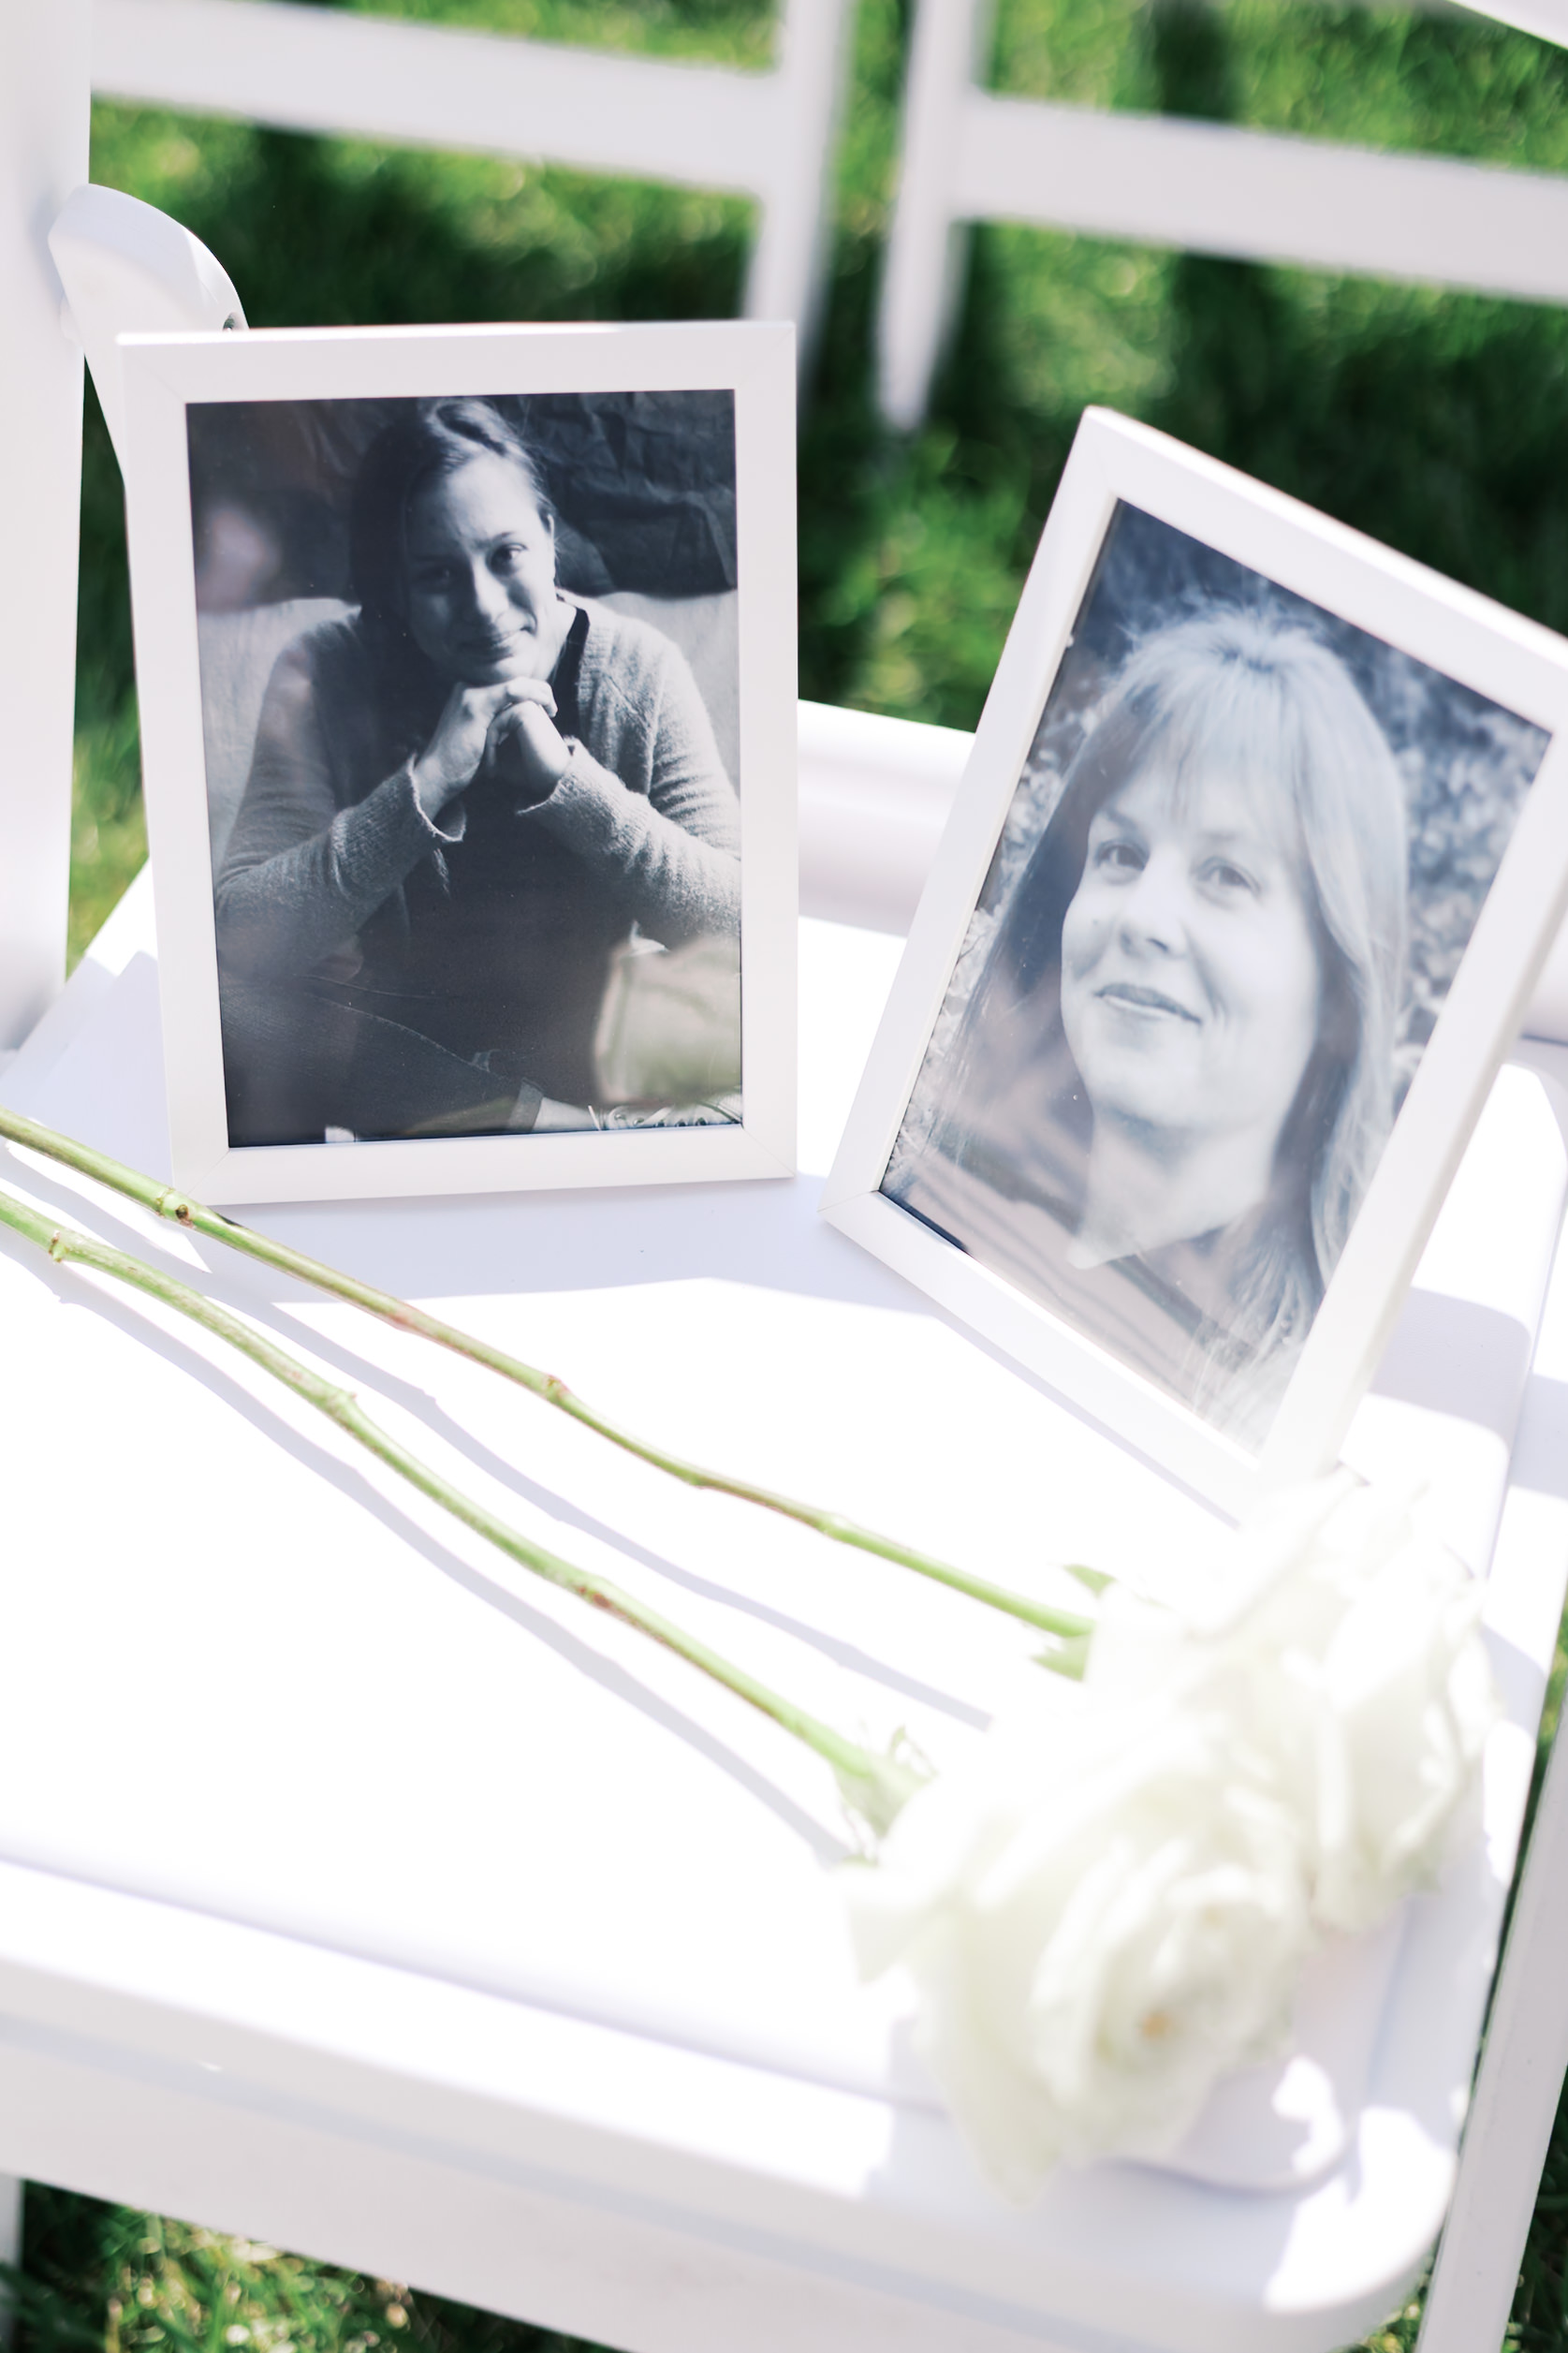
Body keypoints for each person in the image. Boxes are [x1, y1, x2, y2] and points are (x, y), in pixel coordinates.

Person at [887, 608, 1409, 1438]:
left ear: (1337, 996)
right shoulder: (925, 1204)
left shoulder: (1296, 1417)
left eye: (1226, 874)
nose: (1142, 918)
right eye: (1121, 854)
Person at [214, 398, 741, 1145]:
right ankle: (543, 1128)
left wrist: (568, 785)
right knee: (216, 1002)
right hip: (403, 1057)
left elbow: (747, 929)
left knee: (769, 1002)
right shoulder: (327, 670)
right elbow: (239, 936)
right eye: (436, 574)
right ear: (394, 588)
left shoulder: (637, 667)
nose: (483, 606)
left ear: (549, 539)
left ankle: (536, 1122)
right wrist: (425, 785)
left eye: (506, 555)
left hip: (588, 1047)